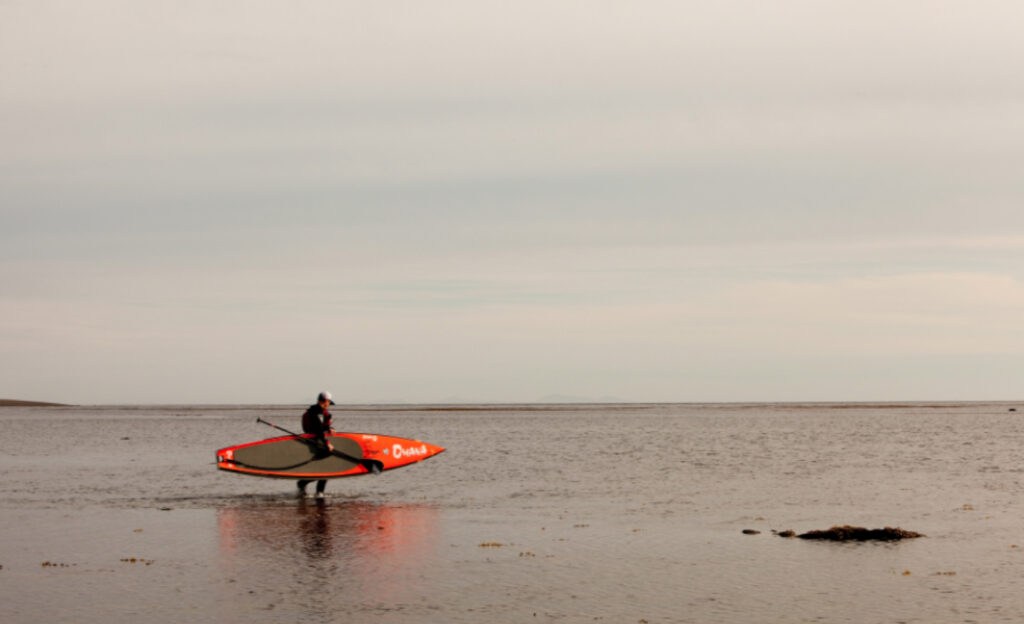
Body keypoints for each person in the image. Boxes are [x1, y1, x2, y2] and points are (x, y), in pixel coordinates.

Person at [297, 391, 335, 498]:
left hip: (312, 443)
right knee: (326, 470)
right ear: (326, 401)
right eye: (329, 403)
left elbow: (318, 427)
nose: (329, 406)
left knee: (322, 468)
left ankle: (304, 484)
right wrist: (327, 443)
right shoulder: (317, 412)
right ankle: (318, 492)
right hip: (317, 443)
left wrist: (329, 428)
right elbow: (318, 430)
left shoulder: (314, 411)